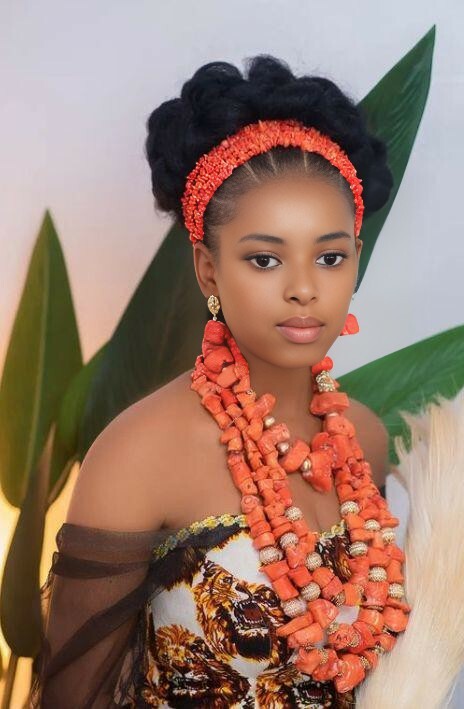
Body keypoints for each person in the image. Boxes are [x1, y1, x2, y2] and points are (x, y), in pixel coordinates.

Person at [29, 54, 410, 708]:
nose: (303, 288)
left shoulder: (362, 441)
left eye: (329, 256)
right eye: (264, 259)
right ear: (208, 269)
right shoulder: (139, 453)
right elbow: (74, 696)